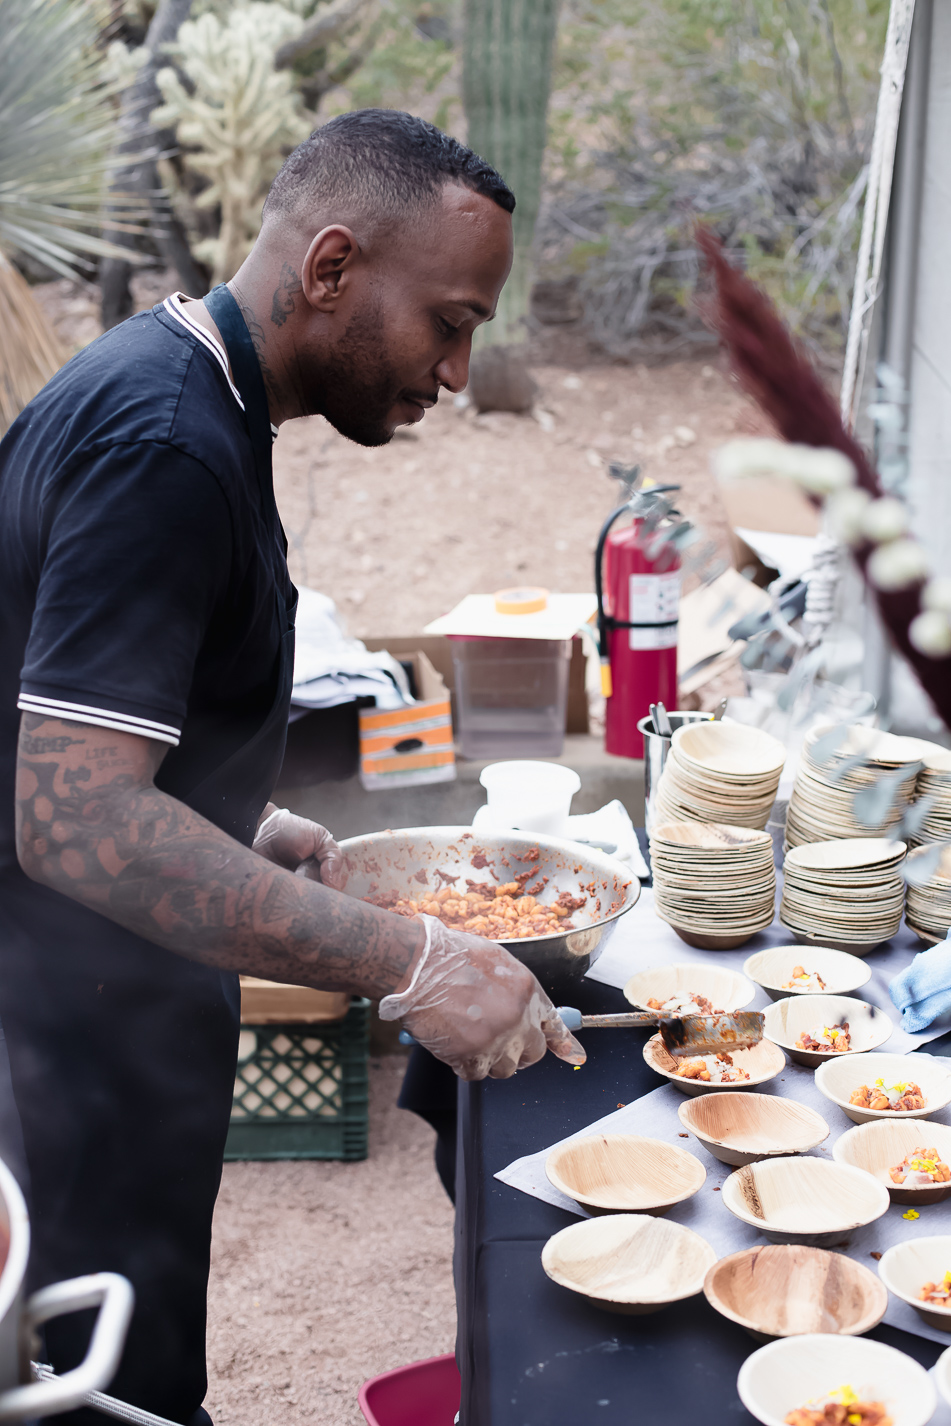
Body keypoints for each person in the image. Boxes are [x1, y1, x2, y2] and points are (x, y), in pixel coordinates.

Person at [0, 109, 584, 1425]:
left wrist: (237, 815)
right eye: (448, 319)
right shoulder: (162, 446)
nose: (455, 369)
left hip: (115, 1019)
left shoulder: (192, 391)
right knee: (100, 1402)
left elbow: (79, 723)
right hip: (58, 1057)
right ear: (330, 267)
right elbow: (76, 817)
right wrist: (412, 961)